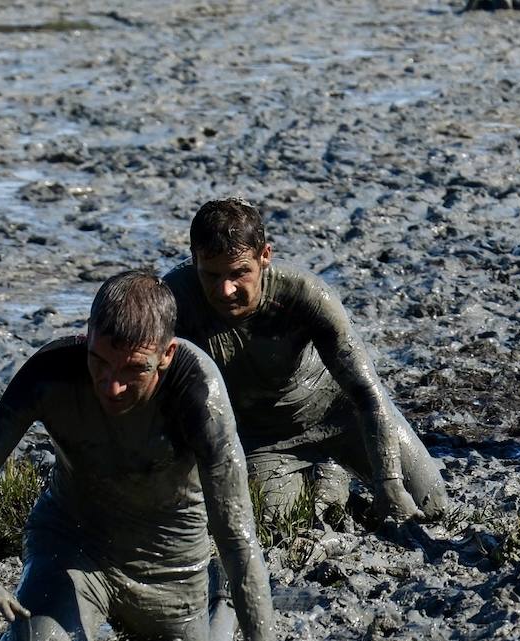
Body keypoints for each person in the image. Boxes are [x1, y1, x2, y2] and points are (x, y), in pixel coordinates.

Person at [0, 270, 277, 641]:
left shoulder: (198, 392)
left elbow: (237, 534)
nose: (111, 386)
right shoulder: (50, 374)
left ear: (166, 355)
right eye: (99, 362)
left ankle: (217, 594)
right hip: (72, 548)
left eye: (133, 370)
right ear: (87, 336)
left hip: (170, 563)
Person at [163, 198, 447, 526]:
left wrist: (389, 485)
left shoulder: (305, 295)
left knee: (433, 505)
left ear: (264, 256)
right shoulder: (173, 300)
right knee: (285, 522)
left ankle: (334, 467)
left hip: (339, 413)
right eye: (211, 275)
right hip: (264, 436)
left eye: (240, 273)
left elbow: (368, 395)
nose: (226, 290)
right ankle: (329, 477)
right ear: (193, 258)